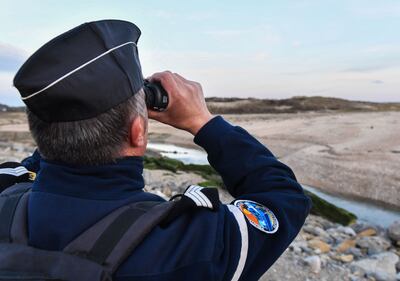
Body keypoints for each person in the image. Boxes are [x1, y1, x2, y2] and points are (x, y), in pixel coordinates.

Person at [1, 20, 311, 280]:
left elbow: (48, 155)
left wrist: (68, 118)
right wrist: (202, 121)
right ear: (138, 132)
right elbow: (284, 199)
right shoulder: (187, 243)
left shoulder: (6, 192)